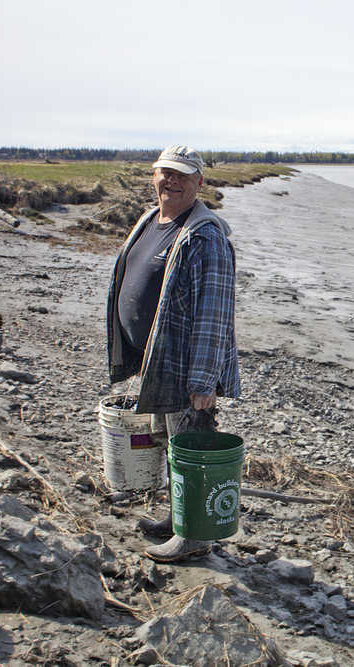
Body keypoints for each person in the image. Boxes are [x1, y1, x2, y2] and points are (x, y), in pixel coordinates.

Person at [106, 145, 240, 562]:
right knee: (169, 442)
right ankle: (176, 517)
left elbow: (214, 314)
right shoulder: (151, 219)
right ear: (154, 176)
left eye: (183, 174)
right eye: (166, 172)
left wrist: (203, 383)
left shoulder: (206, 234)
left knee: (190, 446)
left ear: (199, 182)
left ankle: (195, 537)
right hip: (155, 360)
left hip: (185, 366)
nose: (172, 180)